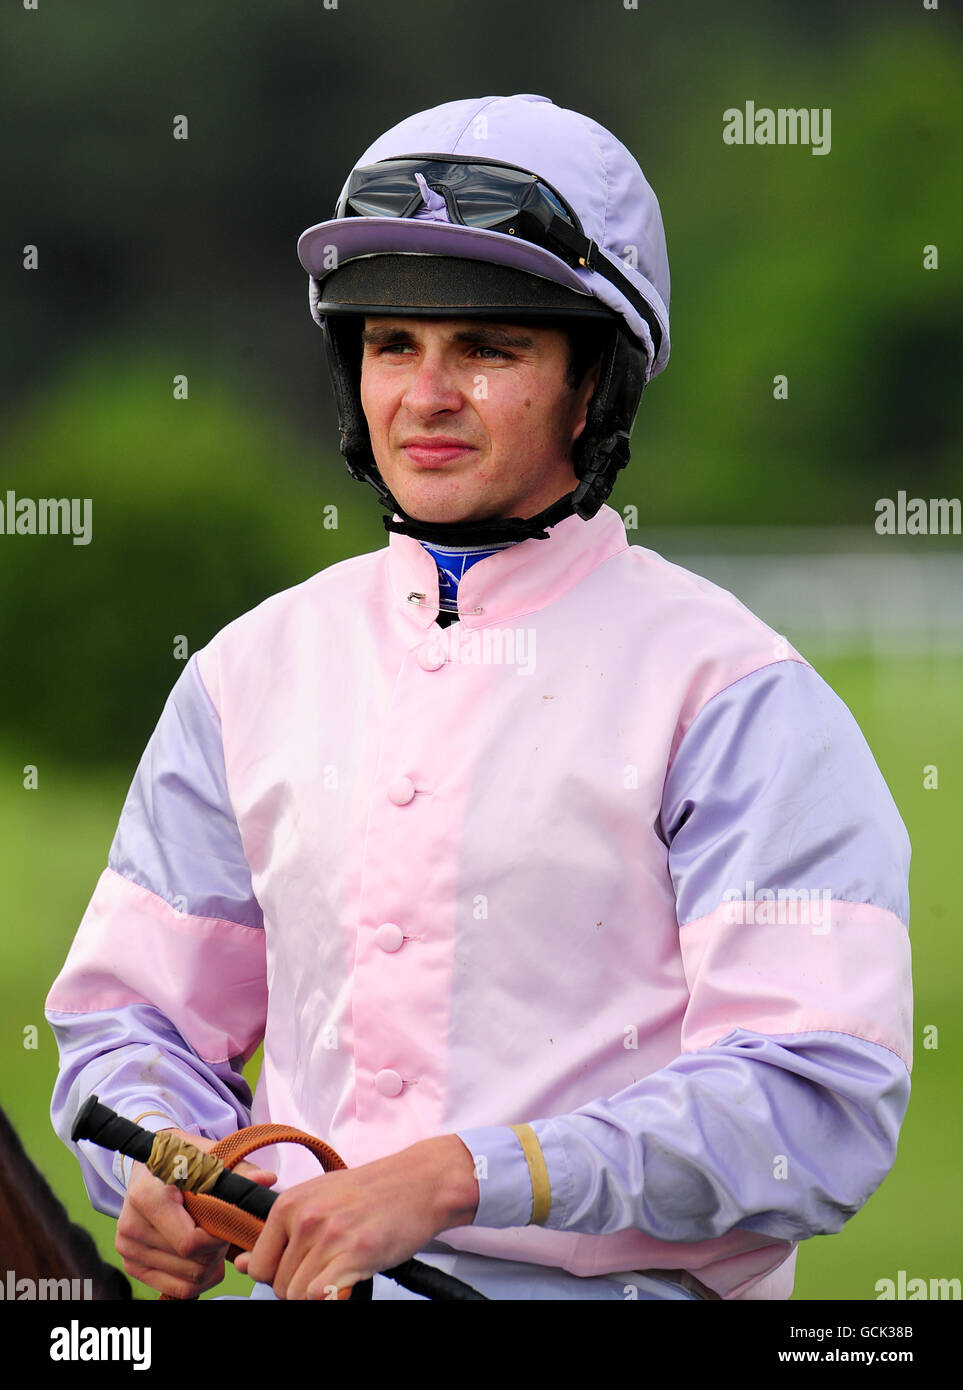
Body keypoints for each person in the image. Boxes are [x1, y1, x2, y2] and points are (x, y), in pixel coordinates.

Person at [46, 93, 913, 1303]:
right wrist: (170, 1163)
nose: (425, 395)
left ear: (592, 383)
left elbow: (814, 1099)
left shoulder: (738, 694)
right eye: (392, 344)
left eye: (489, 349)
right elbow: (129, 1024)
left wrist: (465, 1176)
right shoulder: (246, 671)